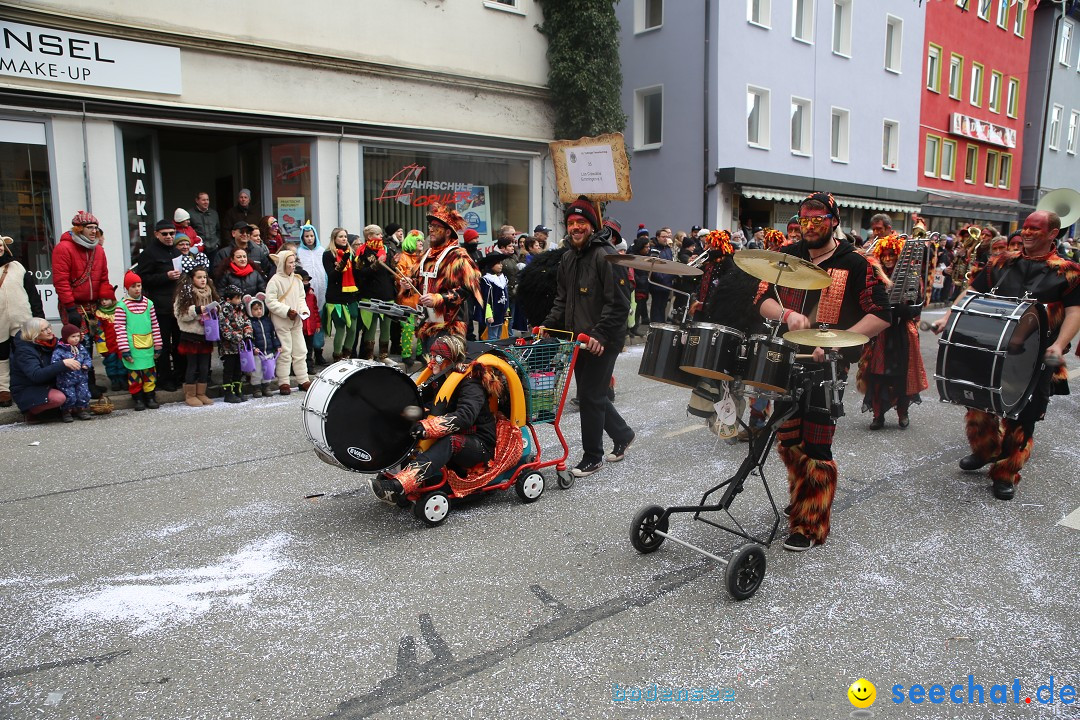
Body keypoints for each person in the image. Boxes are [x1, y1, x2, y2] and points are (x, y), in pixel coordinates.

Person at [756, 192, 890, 551]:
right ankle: (804, 493)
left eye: (819, 219)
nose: (810, 226)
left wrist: (839, 343)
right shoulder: (788, 257)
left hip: (826, 365)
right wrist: (786, 315)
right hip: (786, 359)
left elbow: (880, 314)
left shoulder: (857, 263)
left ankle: (809, 524)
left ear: (833, 220)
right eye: (805, 219)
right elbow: (762, 300)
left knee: (816, 444)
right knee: (787, 439)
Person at [931, 210, 1080, 500]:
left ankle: (1005, 470)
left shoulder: (1068, 271)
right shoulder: (1001, 263)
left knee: (1024, 412)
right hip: (990, 343)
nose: (1027, 232)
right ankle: (984, 450)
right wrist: (949, 316)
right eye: (1025, 227)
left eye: (1035, 228)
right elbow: (972, 291)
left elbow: (1075, 311)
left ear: (1053, 234)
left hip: (1035, 351)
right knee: (978, 401)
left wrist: (1060, 344)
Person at [542, 196, 635, 478]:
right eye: (571, 223)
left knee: (591, 396)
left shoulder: (607, 255)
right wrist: (547, 326)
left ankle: (592, 456)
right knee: (590, 394)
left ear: (592, 226)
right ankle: (623, 433)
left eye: (581, 222)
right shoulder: (568, 258)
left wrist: (600, 335)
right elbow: (562, 300)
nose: (575, 227)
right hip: (577, 339)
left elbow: (619, 302)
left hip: (602, 339)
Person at [370, 334, 502, 504]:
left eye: (438, 357)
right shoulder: (440, 377)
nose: (432, 361)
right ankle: (391, 469)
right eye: (431, 356)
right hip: (457, 435)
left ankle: (401, 485)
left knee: (451, 441)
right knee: (407, 423)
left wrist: (428, 427)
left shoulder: (471, 383)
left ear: (452, 359)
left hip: (479, 443)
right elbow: (420, 401)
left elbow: (465, 417)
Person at [684, 230, 767, 439]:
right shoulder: (711, 264)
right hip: (719, 320)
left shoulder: (731, 265)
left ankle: (756, 422)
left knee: (752, 380)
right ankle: (729, 420)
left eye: (713, 246)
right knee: (727, 378)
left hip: (744, 325)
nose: (710, 249)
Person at [857, 214, 928, 430]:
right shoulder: (874, 275)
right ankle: (878, 415)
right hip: (880, 331)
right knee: (876, 375)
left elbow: (918, 303)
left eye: (892, 256)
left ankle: (902, 413)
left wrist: (903, 309)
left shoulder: (912, 275)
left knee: (901, 375)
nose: (888, 260)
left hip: (901, 331)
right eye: (885, 256)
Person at [51, 210, 115, 399]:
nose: (94, 231)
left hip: (94, 305)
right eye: (90, 228)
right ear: (79, 229)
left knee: (95, 344)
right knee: (79, 345)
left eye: (96, 227)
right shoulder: (63, 248)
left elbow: (104, 278)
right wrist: (70, 307)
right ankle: (82, 385)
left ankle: (90, 383)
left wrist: (106, 300)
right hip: (74, 305)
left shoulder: (99, 250)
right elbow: (61, 281)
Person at [403, 203, 481, 350]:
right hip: (428, 321)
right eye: (430, 226)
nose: (431, 229)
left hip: (450, 324)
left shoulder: (458, 256)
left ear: (447, 232)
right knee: (432, 367)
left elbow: (467, 289)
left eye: (436, 227)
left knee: (445, 367)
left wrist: (438, 298)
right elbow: (422, 280)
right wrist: (410, 283)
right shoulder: (427, 254)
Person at [134, 219, 184, 392]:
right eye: (165, 234)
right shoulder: (149, 253)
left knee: (179, 342)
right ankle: (164, 377)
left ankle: (179, 374)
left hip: (177, 304)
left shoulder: (177, 251)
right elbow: (142, 279)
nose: (169, 237)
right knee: (162, 344)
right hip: (160, 305)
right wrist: (165, 276)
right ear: (156, 234)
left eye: (172, 233)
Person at [0, 234, 44, 407]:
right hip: (0, 320)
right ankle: (4, 390)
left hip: (22, 317)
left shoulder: (17, 266)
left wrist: (39, 316)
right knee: (1, 356)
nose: (0, 248)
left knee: (26, 351)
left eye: (1, 245)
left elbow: (32, 293)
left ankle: (30, 385)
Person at [10, 318, 81, 423]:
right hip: (28, 388)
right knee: (59, 398)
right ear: (34, 333)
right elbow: (36, 375)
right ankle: (31, 412)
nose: (49, 331)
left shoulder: (53, 342)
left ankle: (57, 410)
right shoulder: (25, 351)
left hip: (49, 384)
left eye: (49, 327)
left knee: (78, 390)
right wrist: (62, 364)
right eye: (44, 329)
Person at [114, 270, 163, 411]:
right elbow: (120, 328)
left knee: (149, 373)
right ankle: (138, 398)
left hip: (148, 345)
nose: (137, 289)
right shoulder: (122, 306)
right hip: (132, 347)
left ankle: (150, 396)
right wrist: (124, 349)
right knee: (135, 375)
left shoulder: (149, 304)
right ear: (127, 288)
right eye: (133, 286)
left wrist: (158, 344)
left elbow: (155, 324)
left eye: (139, 285)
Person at [265, 250, 311, 395]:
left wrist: (303, 311)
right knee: (285, 352)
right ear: (283, 264)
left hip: (297, 320)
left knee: (300, 350)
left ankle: (303, 379)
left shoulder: (297, 280)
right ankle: (283, 381)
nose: (293, 265)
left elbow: (301, 298)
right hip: (281, 321)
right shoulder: (274, 280)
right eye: (290, 263)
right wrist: (286, 311)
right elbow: (270, 301)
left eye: (294, 262)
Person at [173, 267, 219, 407]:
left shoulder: (211, 292)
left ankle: (201, 393)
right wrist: (197, 310)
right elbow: (179, 314)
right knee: (192, 365)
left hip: (207, 333)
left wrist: (216, 309)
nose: (203, 280)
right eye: (199, 277)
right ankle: (190, 394)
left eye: (204, 277)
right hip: (191, 334)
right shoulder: (185, 293)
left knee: (205, 366)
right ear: (192, 279)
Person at [355, 224, 396, 362]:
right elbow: (360, 273)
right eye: (378, 235)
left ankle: (384, 355)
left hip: (386, 293)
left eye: (380, 234)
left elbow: (391, 271)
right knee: (370, 327)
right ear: (369, 236)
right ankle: (369, 356)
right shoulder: (362, 252)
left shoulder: (386, 249)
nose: (381, 237)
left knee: (386, 328)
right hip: (370, 294)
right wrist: (376, 265)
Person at [322, 227, 361, 361]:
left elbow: (357, 275)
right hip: (336, 297)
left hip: (350, 295)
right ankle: (337, 357)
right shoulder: (328, 254)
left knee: (353, 329)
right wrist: (342, 263)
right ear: (334, 239)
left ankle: (347, 355)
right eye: (341, 236)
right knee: (341, 328)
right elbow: (332, 276)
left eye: (345, 236)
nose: (344, 239)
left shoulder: (351, 253)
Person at [296, 223, 327, 365]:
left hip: (321, 291)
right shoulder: (299, 253)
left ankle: (319, 351)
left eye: (312, 236)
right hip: (306, 294)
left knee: (319, 322)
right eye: (306, 236)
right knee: (307, 324)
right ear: (302, 237)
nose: (309, 239)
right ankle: (308, 355)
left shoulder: (322, 251)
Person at [395, 230, 425, 371]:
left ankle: (420, 353)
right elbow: (398, 276)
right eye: (418, 240)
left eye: (422, 240)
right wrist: (403, 280)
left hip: (420, 299)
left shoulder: (424, 258)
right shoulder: (404, 258)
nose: (421, 242)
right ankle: (406, 355)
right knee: (408, 328)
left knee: (421, 327)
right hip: (407, 300)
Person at [218, 283, 252, 403]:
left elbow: (246, 321)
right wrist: (236, 337)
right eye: (236, 298)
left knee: (239, 369)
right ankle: (228, 392)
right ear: (228, 299)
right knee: (229, 369)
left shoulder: (240, 308)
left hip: (240, 346)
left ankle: (238, 389)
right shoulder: (223, 309)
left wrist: (247, 334)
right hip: (229, 346)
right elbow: (224, 327)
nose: (239, 300)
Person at [51, 323, 93, 422]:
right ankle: (66, 411)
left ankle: (81, 409)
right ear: (66, 337)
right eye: (73, 336)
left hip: (81, 377)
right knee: (69, 395)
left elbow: (87, 358)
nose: (76, 339)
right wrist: (64, 366)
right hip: (66, 379)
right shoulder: (59, 350)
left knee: (83, 393)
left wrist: (86, 365)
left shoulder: (81, 348)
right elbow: (55, 363)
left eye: (78, 336)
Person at [245, 293, 280, 397]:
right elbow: (248, 337)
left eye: (260, 308)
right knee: (257, 371)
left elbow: (273, 334)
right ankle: (256, 387)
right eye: (255, 309)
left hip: (268, 351)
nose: (259, 311)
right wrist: (253, 347)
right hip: (257, 352)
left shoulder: (267, 321)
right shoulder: (249, 322)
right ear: (250, 311)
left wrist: (277, 345)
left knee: (268, 369)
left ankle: (266, 386)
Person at [475, 252, 510, 339]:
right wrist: (489, 315)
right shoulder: (487, 281)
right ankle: (493, 351)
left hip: (501, 313)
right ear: (491, 265)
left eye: (501, 263)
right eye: (498, 263)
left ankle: (498, 350)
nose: (501, 265)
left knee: (499, 335)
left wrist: (507, 309)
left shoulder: (502, 279)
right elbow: (486, 299)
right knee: (493, 336)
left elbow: (505, 296)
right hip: (493, 314)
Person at [648, 227, 674, 324]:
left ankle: (661, 327)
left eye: (667, 237)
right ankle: (655, 328)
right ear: (658, 237)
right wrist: (662, 278)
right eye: (663, 237)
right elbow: (653, 267)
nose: (665, 239)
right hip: (658, 285)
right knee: (656, 309)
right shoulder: (654, 250)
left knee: (663, 308)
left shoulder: (668, 249)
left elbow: (671, 264)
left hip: (667, 284)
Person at [297, 269, 321, 374]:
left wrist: (317, 324)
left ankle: (309, 366)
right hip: (300, 327)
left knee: (309, 348)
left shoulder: (312, 295)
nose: (306, 282)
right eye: (303, 280)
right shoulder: (296, 295)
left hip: (310, 327)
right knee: (299, 349)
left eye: (307, 280)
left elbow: (315, 310)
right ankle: (298, 368)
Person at [189, 191, 220, 256]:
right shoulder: (190, 214)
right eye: (203, 200)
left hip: (214, 248)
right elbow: (189, 232)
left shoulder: (214, 213)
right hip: (198, 249)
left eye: (207, 200)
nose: (206, 202)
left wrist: (218, 243)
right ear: (197, 201)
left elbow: (218, 230)